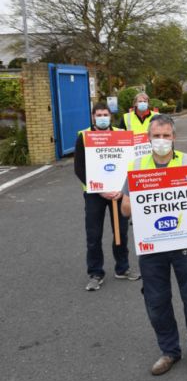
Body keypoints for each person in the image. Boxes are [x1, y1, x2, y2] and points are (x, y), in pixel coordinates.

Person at [120, 114, 187, 375]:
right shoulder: (137, 165)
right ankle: (169, 351)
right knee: (156, 301)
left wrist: (172, 190)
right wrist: (143, 197)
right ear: (149, 138)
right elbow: (125, 209)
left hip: (184, 243)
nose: (161, 141)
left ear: (174, 137)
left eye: (166, 136)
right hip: (151, 246)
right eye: (156, 136)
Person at [73, 102, 140, 291]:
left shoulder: (121, 134)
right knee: (93, 234)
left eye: (105, 114)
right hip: (95, 193)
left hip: (119, 192)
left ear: (110, 116)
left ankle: (122, 268)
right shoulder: (84, 136)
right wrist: (99, 188)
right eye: (98, 114)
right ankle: (95, 273)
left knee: (121, 232)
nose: (102, 117)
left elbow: (129, 163)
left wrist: (122, 189)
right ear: (93, 117)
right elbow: (79, 168)